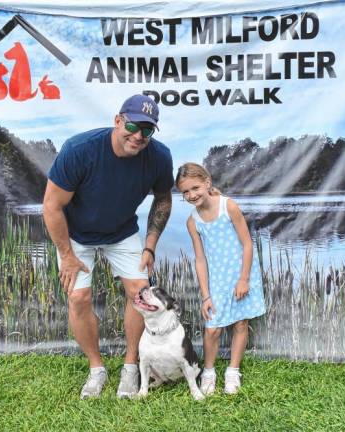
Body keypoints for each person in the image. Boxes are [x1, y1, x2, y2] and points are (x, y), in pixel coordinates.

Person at [43, 94, 173, 399]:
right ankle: (96, 369)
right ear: (118, 120)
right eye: (132, 125)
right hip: (75, 233)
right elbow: (51, 206)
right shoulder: (79, 149)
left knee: (140, 293)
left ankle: (130, 366)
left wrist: (150, 246)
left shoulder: (159, 156)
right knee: (78, 297)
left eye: (148, 130)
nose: (139, 136)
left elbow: (164, 198)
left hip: (121, 230)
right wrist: (67, 255)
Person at [176, 162, 265, 395]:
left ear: (207, 183)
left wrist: (244, 279)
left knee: (240, 323)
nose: (191, 194)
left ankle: (233, 371)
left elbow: (247, 244)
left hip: (240, 274)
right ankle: (209, 371)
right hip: (217, 279)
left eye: (195, 187)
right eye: (185, 191)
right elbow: (200, 259)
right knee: (213, 328)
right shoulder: (193, 221)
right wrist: (206, 295)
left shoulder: (229, 207)